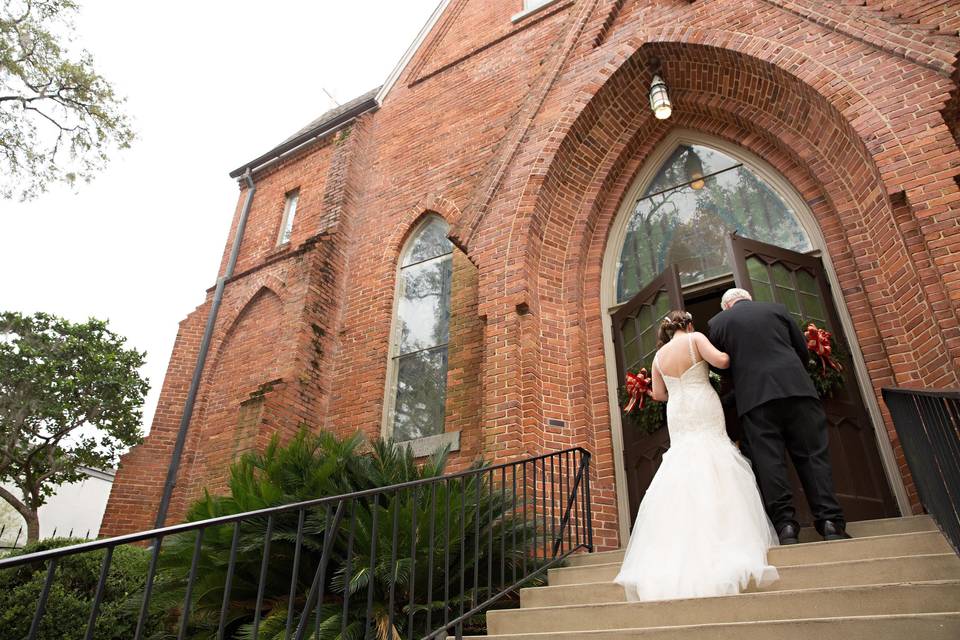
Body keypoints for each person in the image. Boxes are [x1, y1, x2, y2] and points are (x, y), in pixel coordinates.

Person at [614, 310, 779, 602]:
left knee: (683, 460)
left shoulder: (659, 356)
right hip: (702, 400)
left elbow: (659, 394)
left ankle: (681, 543)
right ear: (688, 324)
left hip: (677, 409)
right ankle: (726, 534)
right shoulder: (695, 339)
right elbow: (723, 361)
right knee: (714, 453)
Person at [708, 288, 849, 545]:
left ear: (726, 306)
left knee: (769, 462)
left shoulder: (718, 323)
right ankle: (830, 523)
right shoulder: (777, 309)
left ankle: (786, 527)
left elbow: (719, 367)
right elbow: (801, 351)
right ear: (749, 298)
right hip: (797, 390)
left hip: (754, 399)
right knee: (813, 456)